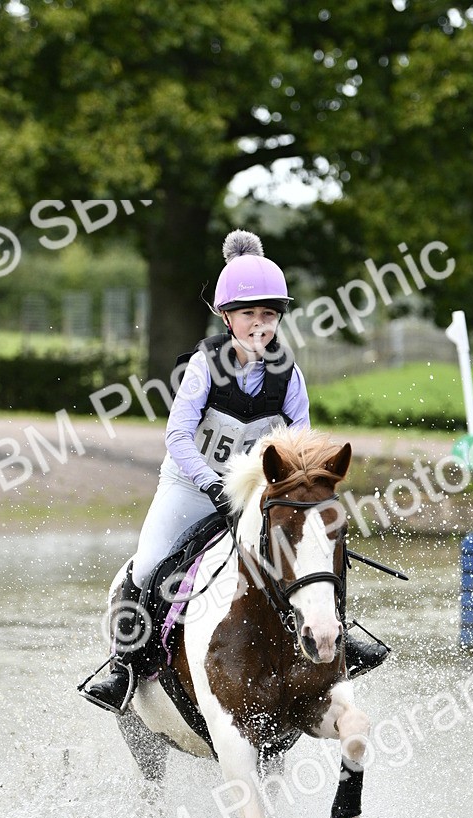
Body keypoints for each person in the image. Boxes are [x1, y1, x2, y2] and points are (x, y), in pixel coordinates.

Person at [80, 229, 386, 714]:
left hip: (256, 496)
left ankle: (339, 637)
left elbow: (300, 450)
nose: (260, 325)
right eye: (249, 314)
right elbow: (177, 437)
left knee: (313, 555)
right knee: (147, 567)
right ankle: (123, 666)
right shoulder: (204, 367)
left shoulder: (289, 375)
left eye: (270, 315)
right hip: (191, 487)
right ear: (227, 317)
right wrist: (209, 484)